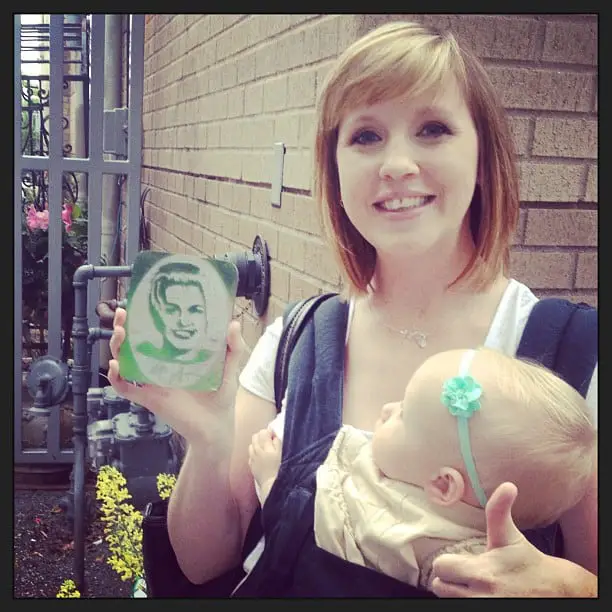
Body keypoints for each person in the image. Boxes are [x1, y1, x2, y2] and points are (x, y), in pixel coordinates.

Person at [108, 20, 598, 597]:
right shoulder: (294, 341)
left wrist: (567, 587)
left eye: (433, 129)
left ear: (484, 158)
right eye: (366, 136)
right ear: (335, 169)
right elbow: (202, 565)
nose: (397, 164)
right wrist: (209, 436)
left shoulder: (578, 356)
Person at [248, 347, 596, 591]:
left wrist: (271, 484)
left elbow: (301, 527)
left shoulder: (454, 563)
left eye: (403, 414)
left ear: (443, 485)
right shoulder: (394, 476)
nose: (387, 408)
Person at [136, 261, 210, 364]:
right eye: (171, 310)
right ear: (156, 313)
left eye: (195, 310)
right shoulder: (140, 359)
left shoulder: (218, 364)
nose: (183, 321)